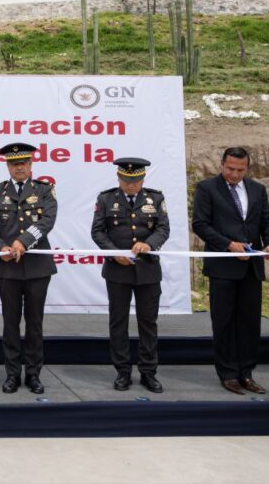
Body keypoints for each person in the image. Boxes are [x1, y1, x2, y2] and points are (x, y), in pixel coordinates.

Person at [192, 146, 269, 395]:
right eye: (230, 168)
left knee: (250, 323)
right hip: (223, 266)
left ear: (247, 168)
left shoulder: (257, 189)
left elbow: (266, 222)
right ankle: (228, 373)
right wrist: (228, 245)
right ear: (221, 164)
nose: (234, 174)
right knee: (224, 322)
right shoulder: (207, 188)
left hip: (251, 268)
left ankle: (247, 373)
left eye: (240, 170)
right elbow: (200, 224)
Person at [0, 143, 58, 394]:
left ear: (31, 164)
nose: (20, 167)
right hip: (8, 269)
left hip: (37, 268)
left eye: (24, 163)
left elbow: (47, 220)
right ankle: (12, 374)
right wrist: (0, 247)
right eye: (15, 164)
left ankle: (34, 374)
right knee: (10, 324)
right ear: (8, 166)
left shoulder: (44, 190)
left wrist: (23, 242)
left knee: (35, 324)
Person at [91, 158, 170, 393]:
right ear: (119, 178)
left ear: (143, 179)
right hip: (118, 270)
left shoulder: (155, 198)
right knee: (118, 323)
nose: (131, 185)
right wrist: (114, 254)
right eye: (126, 180)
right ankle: (122, 372)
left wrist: (150, 244)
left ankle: (148, 373)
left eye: (135, 180)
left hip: (147, 269)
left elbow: (163, 228)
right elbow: (98, 231)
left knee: (148, 323)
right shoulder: (106, 199)